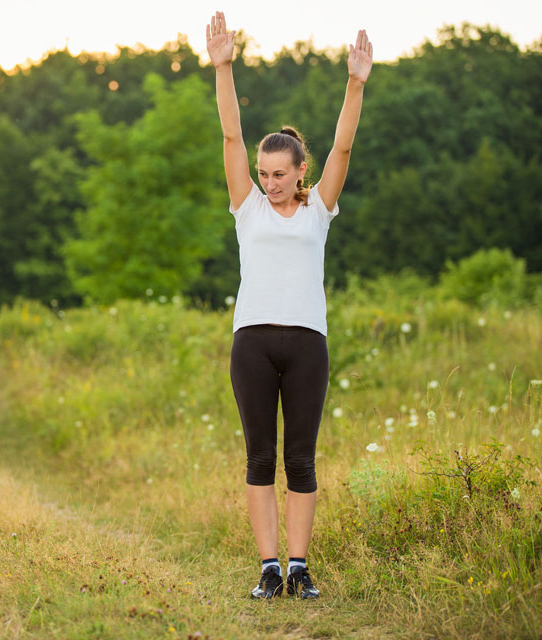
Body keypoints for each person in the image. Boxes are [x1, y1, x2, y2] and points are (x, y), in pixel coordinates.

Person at [205, 11, 373, 600]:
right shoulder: (246, 207)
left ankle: (299, 568)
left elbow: (345, 145)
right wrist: (223, 68)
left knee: (300, 460)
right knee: (258, 458)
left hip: (307, 344)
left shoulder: (318, 209)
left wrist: (355, 85)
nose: (270, 182)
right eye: (263, 173)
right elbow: (230, 134)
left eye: (280, 174)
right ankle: (269, 567)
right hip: (252, 342)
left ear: (301, 171)